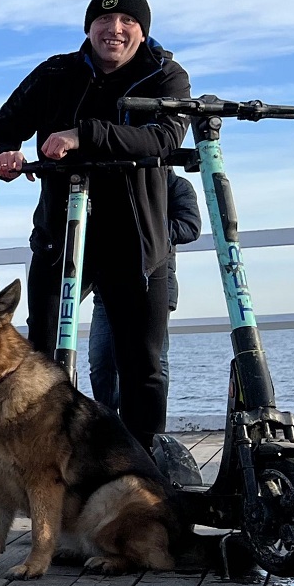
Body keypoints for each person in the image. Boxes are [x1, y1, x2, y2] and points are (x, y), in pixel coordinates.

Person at [0, 0, 191, 449]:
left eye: (126, 22)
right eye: (103, 20)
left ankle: (145, 471)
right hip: (62, 236)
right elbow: (0, 129)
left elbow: (162, 140)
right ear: (88, 27)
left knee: (143, 366)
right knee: (43, 358)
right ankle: (46, 462)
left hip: (137, 244)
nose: (113, 30)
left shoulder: (165, 75)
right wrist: (3, 153)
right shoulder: (55, 73)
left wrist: (83, 135)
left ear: (142, 30)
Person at [90, 170, 202, 411]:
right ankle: (109, 427)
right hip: (107, 286)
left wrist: (143, 230)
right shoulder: (110, 183)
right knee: (101, 360)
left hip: (155, 283)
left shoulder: (177, 186)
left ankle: (151, 429)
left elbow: (191, 226)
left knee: (154, 361)